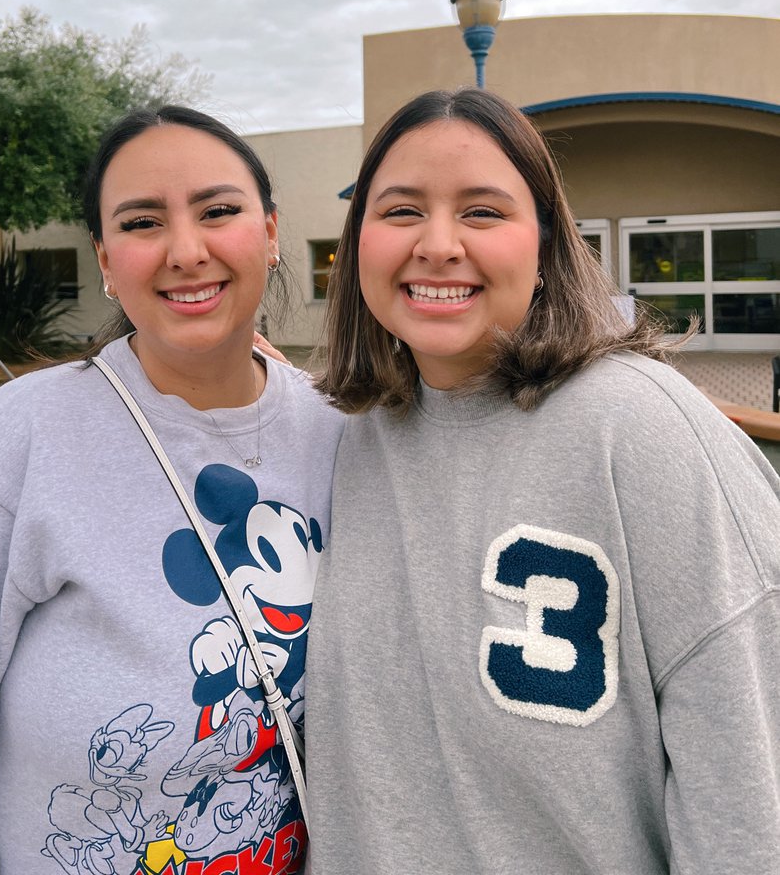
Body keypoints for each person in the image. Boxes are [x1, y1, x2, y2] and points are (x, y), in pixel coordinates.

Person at [304, 87, 780, 875]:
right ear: (358, 244)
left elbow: (752, 799)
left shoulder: (643, 429)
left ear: (547, 242)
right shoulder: (348, 439)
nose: (439, 244)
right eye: (400, 212)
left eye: (483, 212)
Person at [0, 105, 343, 875]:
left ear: (269, 231)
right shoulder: (25, 437)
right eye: (141, 223)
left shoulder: (343, 433)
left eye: (218, 211)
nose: (185, 251)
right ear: (104, 257)